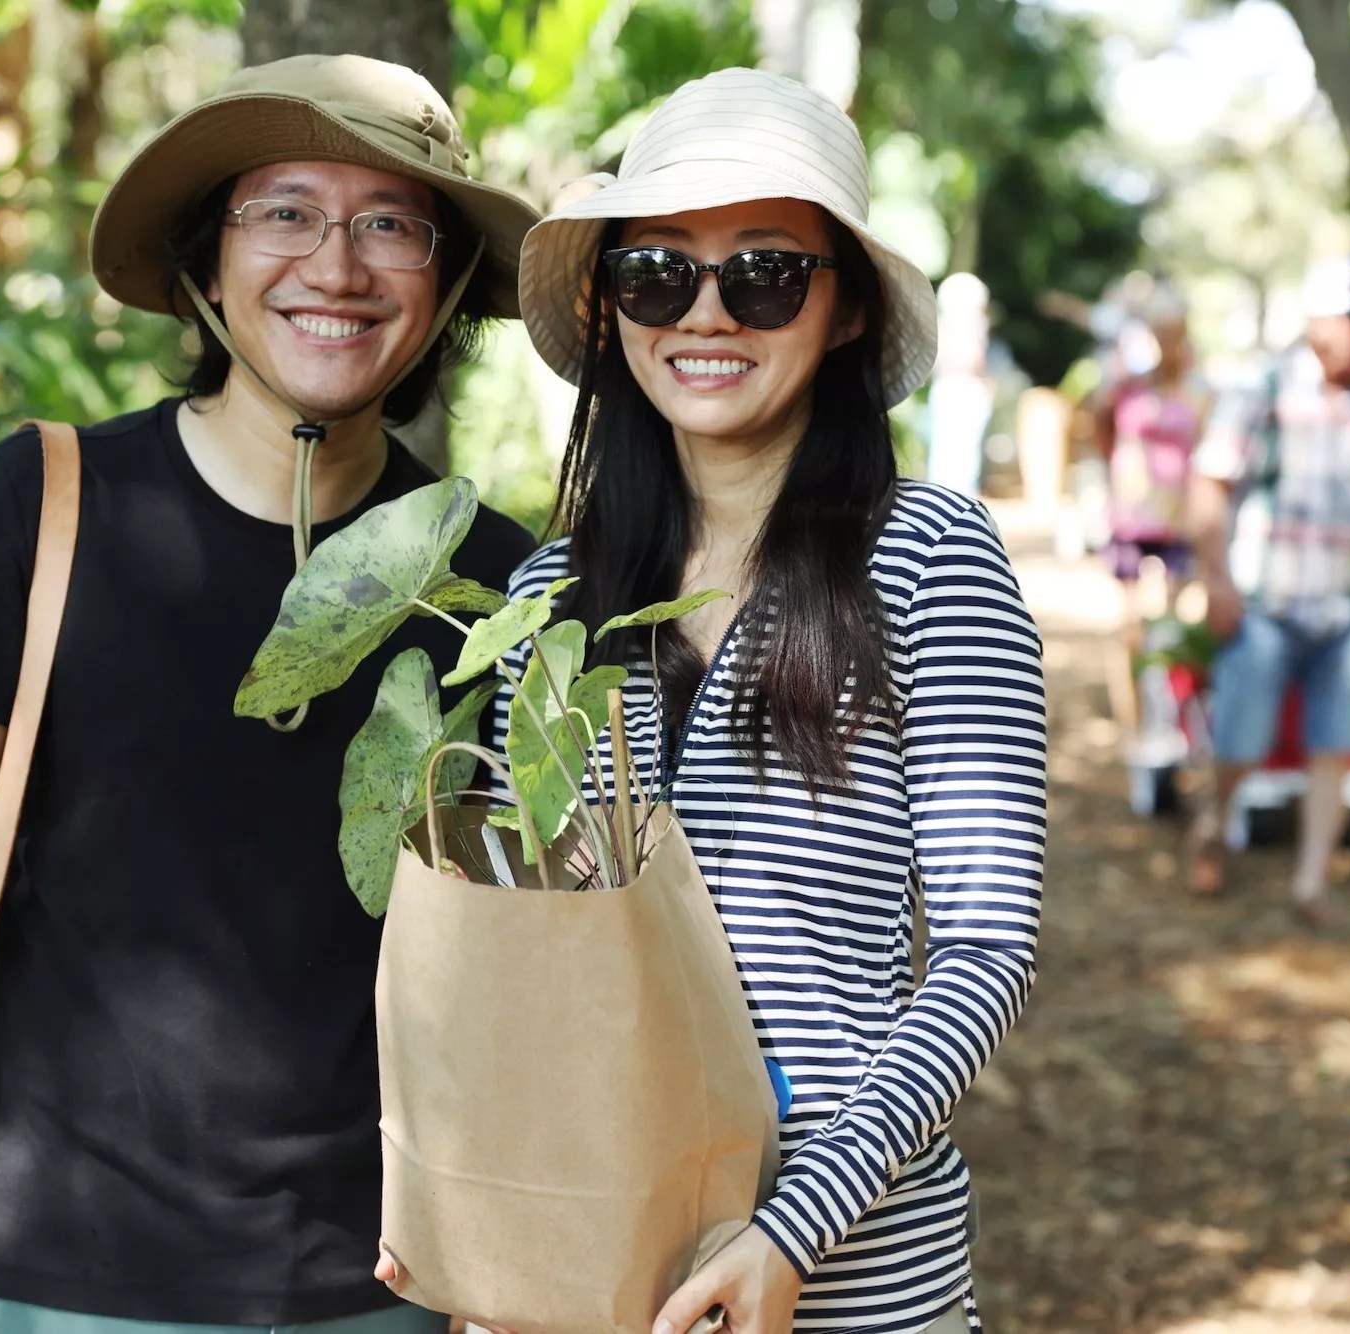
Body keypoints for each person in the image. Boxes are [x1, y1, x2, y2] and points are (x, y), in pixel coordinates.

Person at [0, 54, 539, 1334]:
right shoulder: (43, 505)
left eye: (390, 224)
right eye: (284, 211)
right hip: (58, 1275)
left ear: (445, 288)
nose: (335, 266)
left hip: (393, 1283)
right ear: (207, 263)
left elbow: (531, 958)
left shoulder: (495, 582)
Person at [450, 67, 1046, 1334]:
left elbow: (984, 951)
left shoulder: (929, 557)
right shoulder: (548, 599)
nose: (705, 312)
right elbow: (530, 949)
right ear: (611, 305)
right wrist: (489, 1224)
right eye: (657, 272)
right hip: (597, 1263)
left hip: (852, 1283)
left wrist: (791, 1230)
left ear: (845, 309)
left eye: (765, 272)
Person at [1185, 256, 1350, 924]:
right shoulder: (1263, 388)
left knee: (1336, 745)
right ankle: (1214, 822)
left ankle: (1311, 882)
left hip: (1346, 605)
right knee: (1242, 739)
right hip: (1265, 604)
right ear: (1318, 323)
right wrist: (1216, 582)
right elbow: (1210, 483)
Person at [1084, 282, 1212, 747]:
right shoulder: (1126, 386)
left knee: (1174, 626)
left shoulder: (1199, 389)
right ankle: (1133, 726)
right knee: (1131, 626)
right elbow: (1098, 426)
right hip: (1131, 519)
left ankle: (1171, 722)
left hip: (1180, 521)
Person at [926, 270, 996, 496]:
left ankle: (939, 498)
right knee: (965, 451)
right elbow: (975, 358)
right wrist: (986, 382)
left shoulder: (940, 325)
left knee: (943, 449)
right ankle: (961, 499)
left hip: (943, 387)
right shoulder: (974, 324)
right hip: (967, 389)